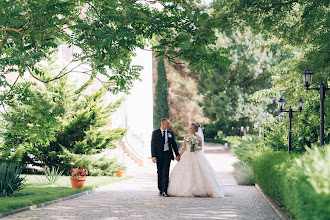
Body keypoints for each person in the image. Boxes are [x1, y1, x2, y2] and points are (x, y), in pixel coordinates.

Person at [167, 122, 225, 197]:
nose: (189, 129)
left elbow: (200, 147)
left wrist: (195, 147)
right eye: (189, 128)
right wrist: (179, 155)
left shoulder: (198, 137)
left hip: (196, 155)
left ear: (195, 130)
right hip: (187, 156)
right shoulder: (186, 136)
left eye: (191, 128)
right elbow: (184, 148)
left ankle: (200, 189)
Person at [151, 118, 180, 197]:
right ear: (163, 124)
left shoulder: (170, 133)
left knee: (165, 173)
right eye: (168, 124)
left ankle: (165, 191)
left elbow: (174, 144)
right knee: (160, 172)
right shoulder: (155, 133)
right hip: (159, 156)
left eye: (169, 124)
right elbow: (153, 145)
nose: (169, 125)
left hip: (167, 155)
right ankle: (160, 189)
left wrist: (177, 154)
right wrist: (153, 156)